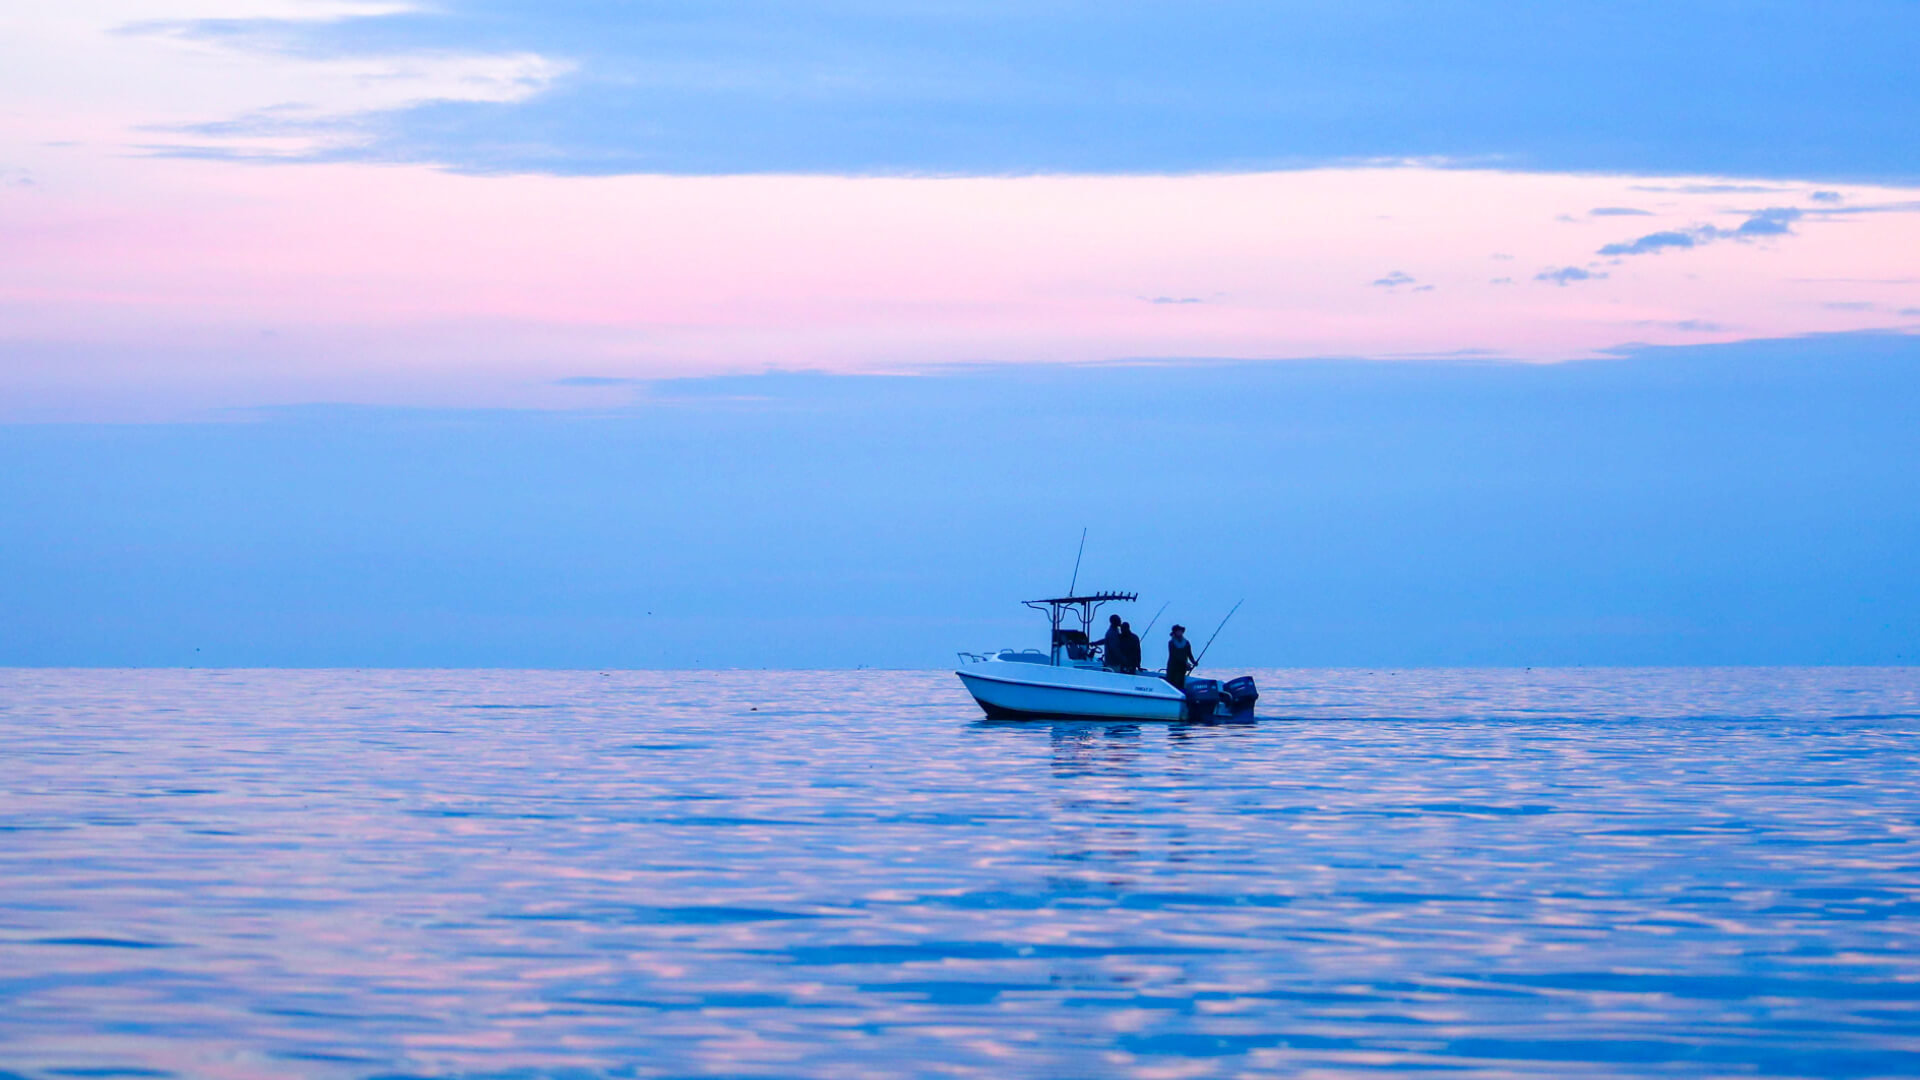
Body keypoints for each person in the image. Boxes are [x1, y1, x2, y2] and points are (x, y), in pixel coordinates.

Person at [1165, 624, 1196, 689]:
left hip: (1182, 668)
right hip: (1173, 667)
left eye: (1181, 631)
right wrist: (1185, 663)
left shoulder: (1187, 643)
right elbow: (1174, 655)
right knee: (1171, 684)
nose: (1180, 632)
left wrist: (1193, 661)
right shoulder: (1171, 643)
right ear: (1175, 632)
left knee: (1180, 684)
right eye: (1178, 631)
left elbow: (1189, 654)